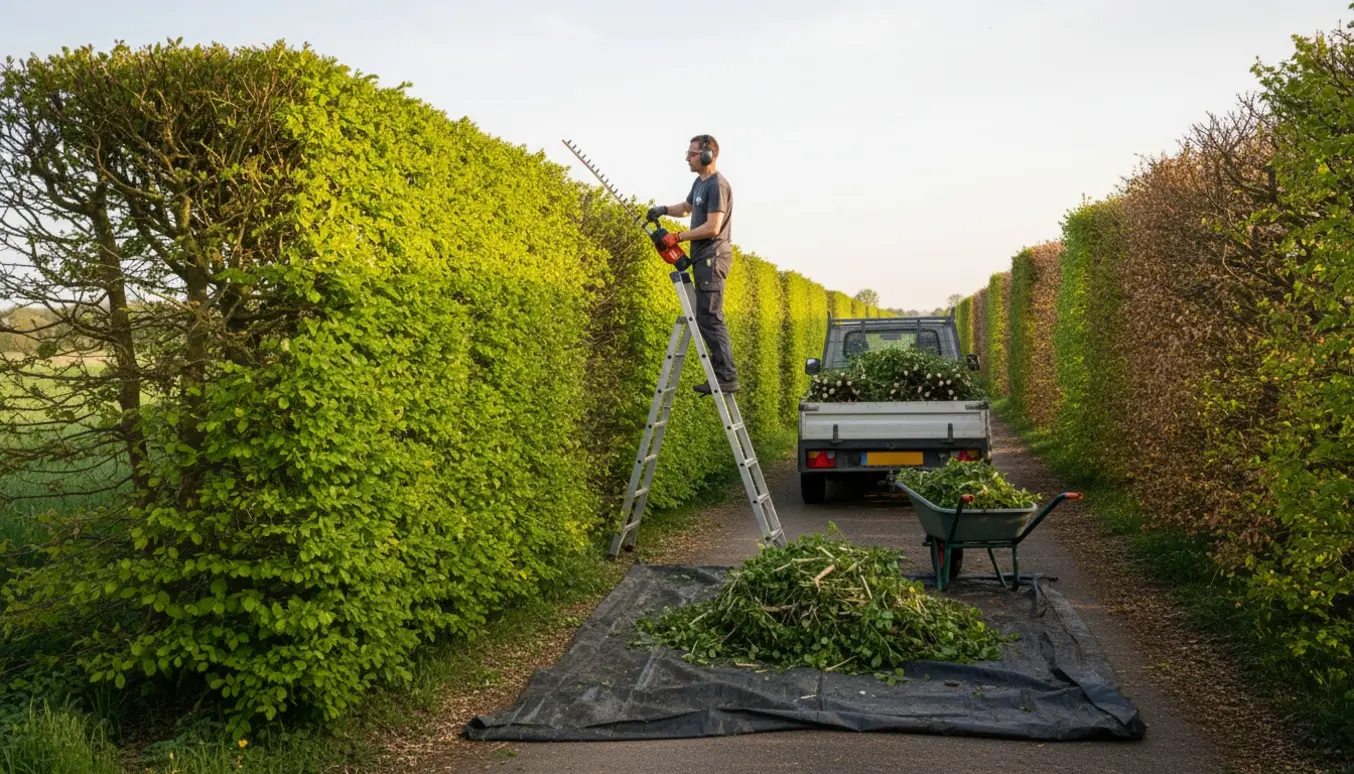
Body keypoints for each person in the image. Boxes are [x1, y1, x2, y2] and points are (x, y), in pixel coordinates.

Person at [646, 134, 739, 395]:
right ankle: (723, 374)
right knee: (703, 316)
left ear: (708, 155)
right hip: (701, 257)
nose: (688, 157)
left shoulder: (717, 185)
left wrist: (677, 237)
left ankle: (726, 377)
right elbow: (687, 208)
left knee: (710, 317)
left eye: (692, 153)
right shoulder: (699, 183)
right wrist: (663, 209)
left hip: (713, 256)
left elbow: (713, 227)